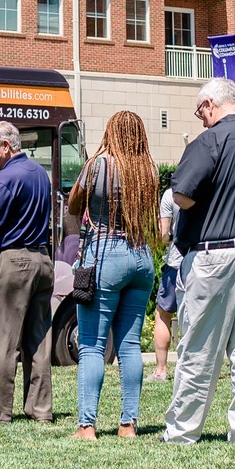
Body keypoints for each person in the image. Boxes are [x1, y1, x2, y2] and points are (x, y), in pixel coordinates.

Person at [161, 77, 235, 447]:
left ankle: (182, 431)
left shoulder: (209, 141)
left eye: (200, 110)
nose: (200, 117)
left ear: (210, 104)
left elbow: (182, 195)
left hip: (216, 254)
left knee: (199, 346)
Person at [65, 110, 160, 439]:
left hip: (106, 255)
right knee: (130, 345)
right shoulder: (148, 169)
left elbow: (74, 205)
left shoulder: (98, 165)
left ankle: (86, 425)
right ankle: (128, 425)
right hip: (141, 257)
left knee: (92, 345)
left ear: (111, 133)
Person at [0, 120, 55, 422]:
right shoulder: (39, 174)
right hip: (42, 259)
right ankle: (40, 409)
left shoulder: (6, 178)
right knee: (39, 340)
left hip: (13, 261)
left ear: (6, 146)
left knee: (2, 337)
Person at [149, 185, 182, 381]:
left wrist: (169, 239)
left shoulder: (170, 194)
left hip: (176, 263)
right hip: (203, 262)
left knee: (163, 314)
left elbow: (164, 234)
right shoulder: (209, 189)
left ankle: (161, 370)